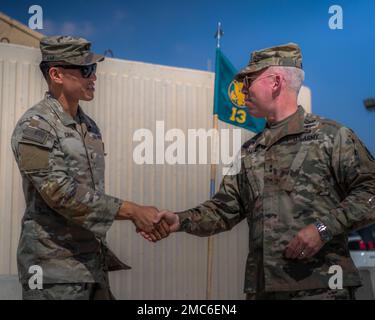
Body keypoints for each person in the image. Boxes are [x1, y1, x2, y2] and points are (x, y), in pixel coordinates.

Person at [144, 43, 375, 300]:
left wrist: (323, 229)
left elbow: (370, 192)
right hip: (262, 291)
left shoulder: (332, 137)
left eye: (249, 80)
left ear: (275, 82)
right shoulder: (249, 151)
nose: (242, 90)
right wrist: (180, 220)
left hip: (321, 289)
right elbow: (223, 210)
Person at [11, 36, 169, 300]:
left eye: (94, 69)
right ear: (56, 74)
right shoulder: (35, 127)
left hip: (92, 267)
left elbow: (90, 194)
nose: (93, 77)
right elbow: (60, 193)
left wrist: (136, 216)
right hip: (54, 274)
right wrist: (131, 211)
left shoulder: (90, 127)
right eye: (85, 70)